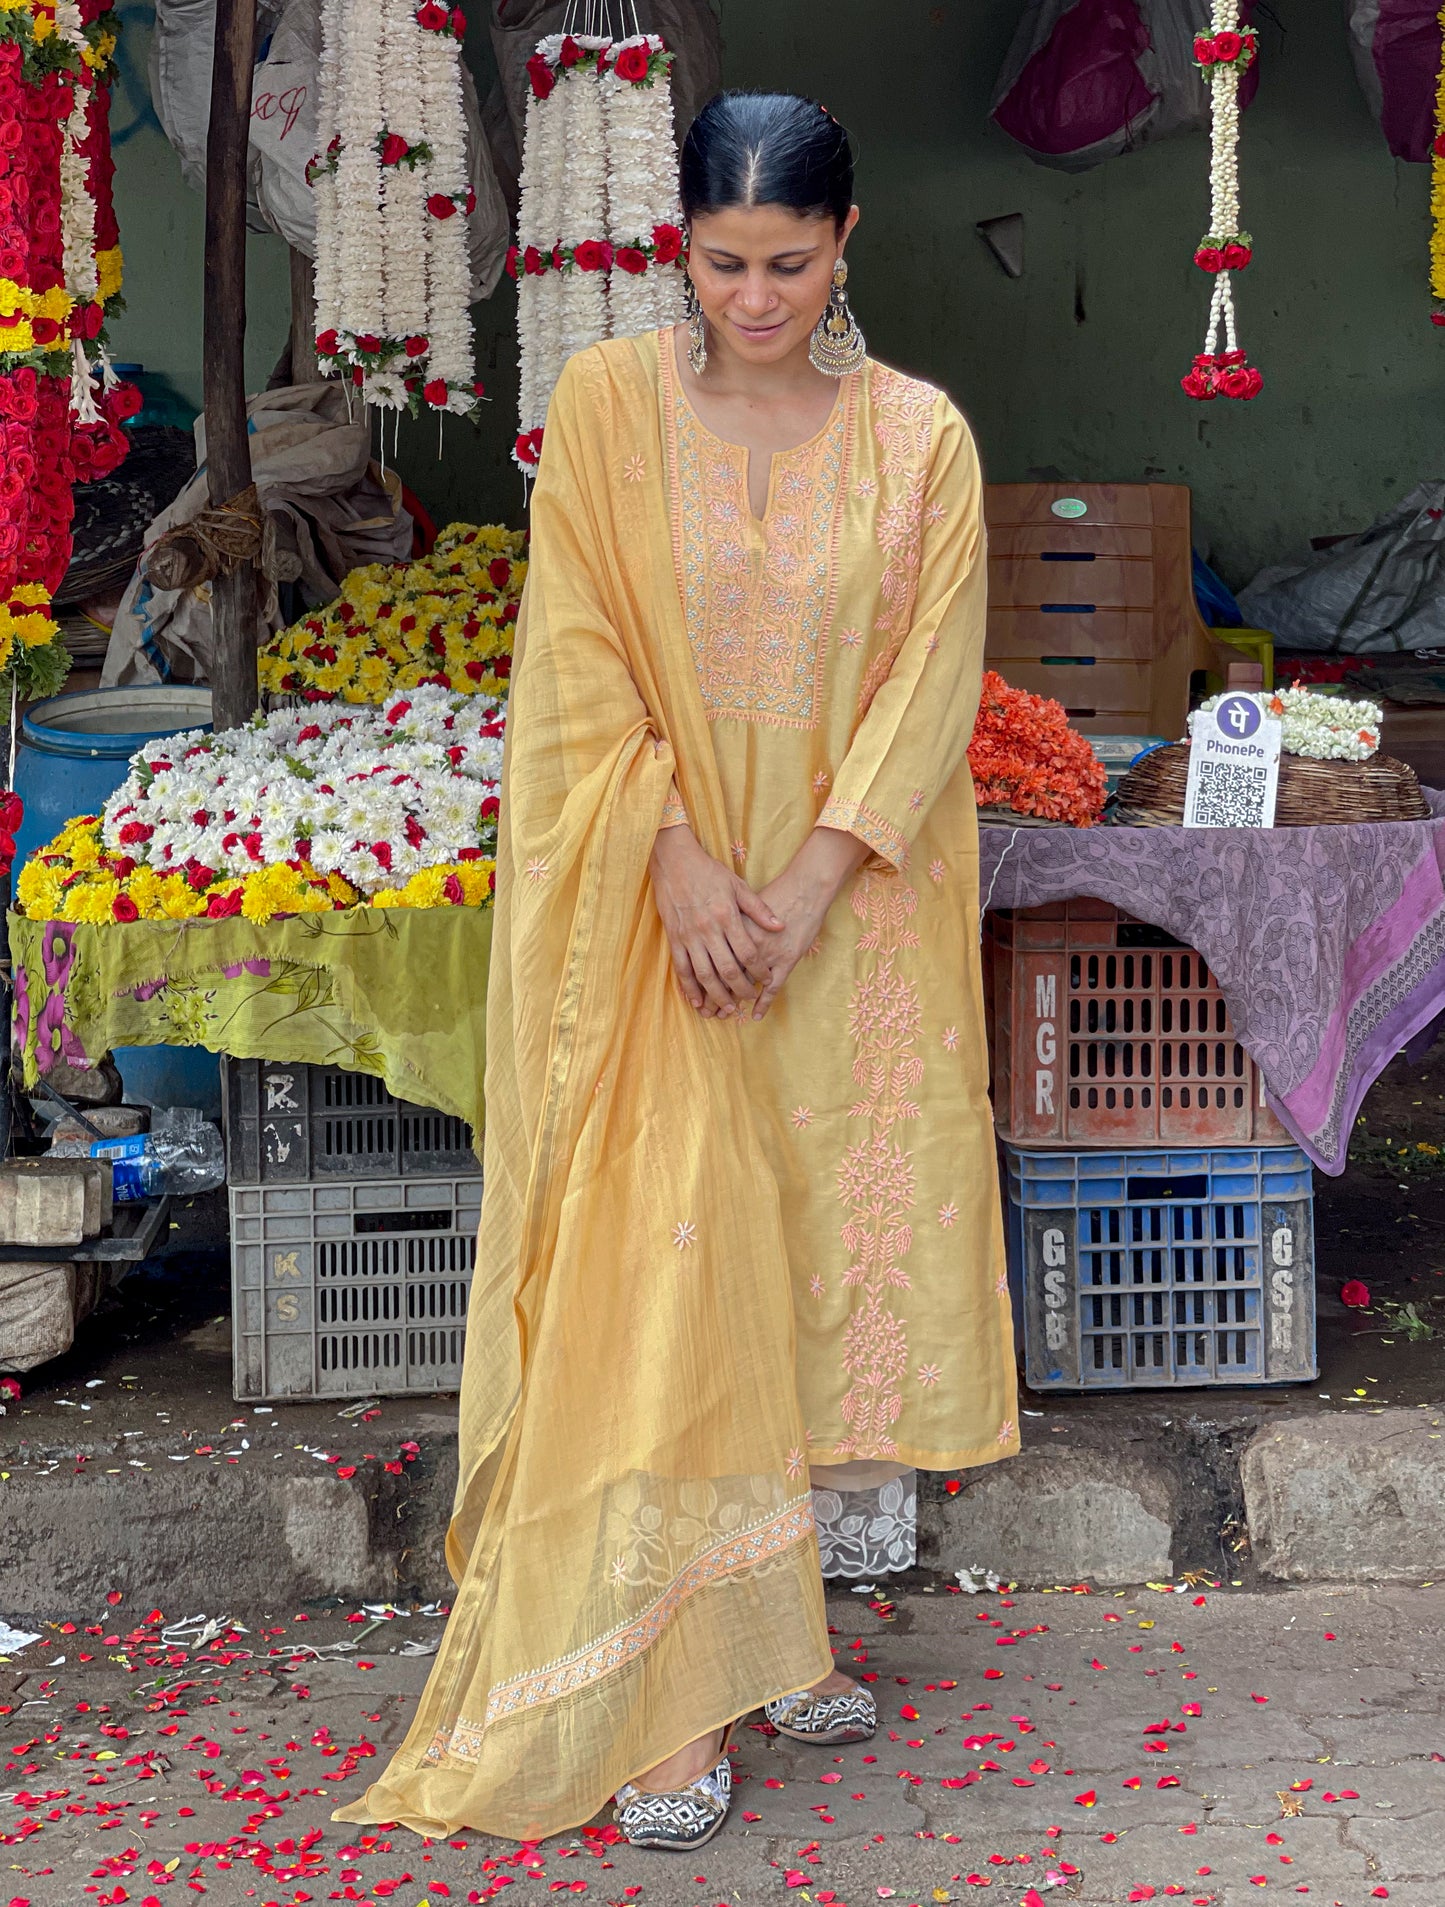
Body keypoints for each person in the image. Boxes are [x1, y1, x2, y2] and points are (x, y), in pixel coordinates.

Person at [337, 88, 1018, 1854]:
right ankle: (663, 1693)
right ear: (680, 252)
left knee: (798, 1268)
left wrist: (798, 882)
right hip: (662, 924)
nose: (755, 298)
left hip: (844, 921)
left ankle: (767, 1615)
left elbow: (930, 678)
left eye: (788, 263)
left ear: (844, 242)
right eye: (722, 263)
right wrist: (679, 861)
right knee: (663, 1286)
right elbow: (571, 661)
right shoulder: (609, 413)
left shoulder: (919, 438)